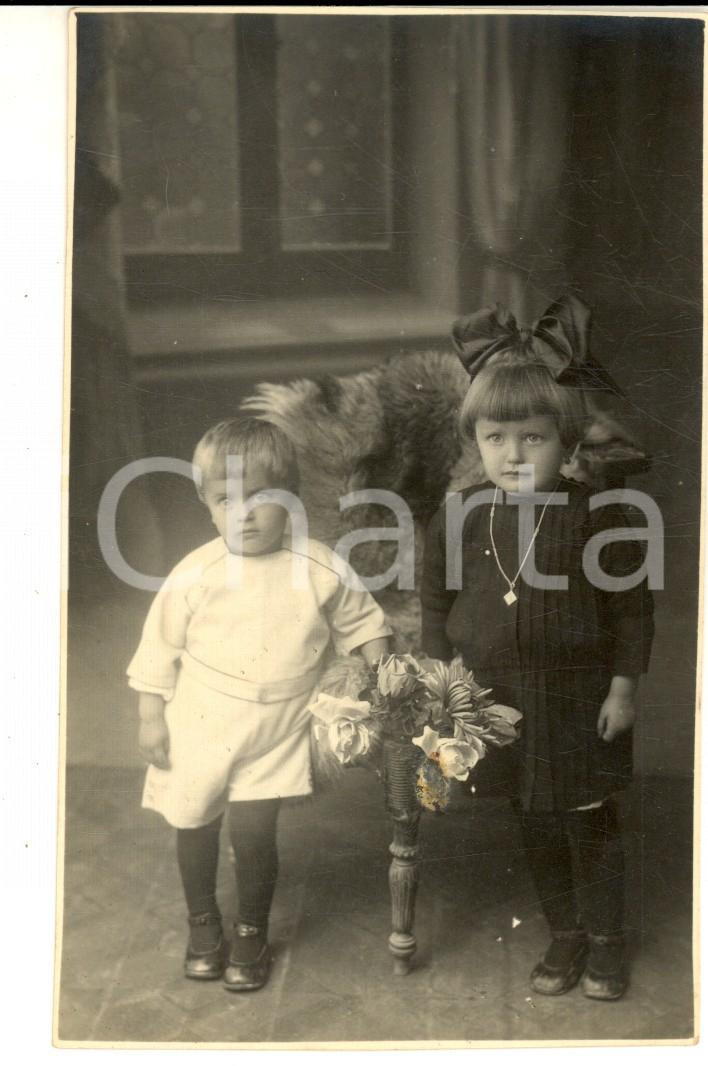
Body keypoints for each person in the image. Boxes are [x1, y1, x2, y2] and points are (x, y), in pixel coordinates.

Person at [421, 297, 655, 1001]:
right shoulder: (461, 514)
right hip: (501, 701)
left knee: (590, 821)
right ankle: (566, 931)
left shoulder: (599, 515)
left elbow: (632, 609)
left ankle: (608, 938)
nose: (513, 455)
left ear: (568, 439)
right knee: (534, 820)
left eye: (532, 438)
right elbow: (435, 598)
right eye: (496, 438)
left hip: (580, 702)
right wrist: (441, 673)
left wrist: (622, 689)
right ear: (476, 440)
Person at [127, 417, 391, 992]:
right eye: (226, 499)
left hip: (278, 725)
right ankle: (203, 924)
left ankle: (251, 930)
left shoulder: (319, 564)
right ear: (206, 503)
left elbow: (364, 625)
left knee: (253, 835)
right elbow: (157, 648)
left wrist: (383, 670)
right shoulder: (196, 573)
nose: (243, 514)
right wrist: (151, 715)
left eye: (261, 499)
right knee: (193, 822)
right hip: (201, 720)